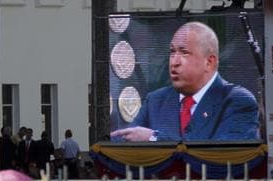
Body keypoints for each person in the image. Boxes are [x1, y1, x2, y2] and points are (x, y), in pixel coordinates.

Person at [111, 22, 259, 142]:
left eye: (184, 52)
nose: (174, 62)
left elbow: (223, 154)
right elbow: (125, 140)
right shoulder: (155, 101)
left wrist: (154, 138)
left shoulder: (238, 100)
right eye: (172, 52)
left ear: (209, 62)